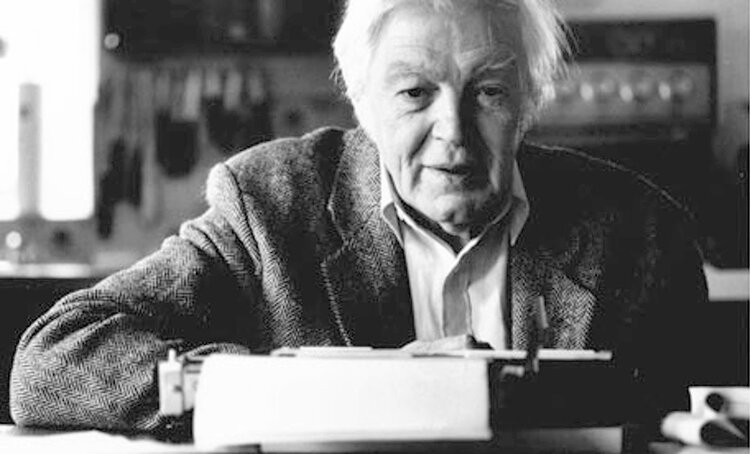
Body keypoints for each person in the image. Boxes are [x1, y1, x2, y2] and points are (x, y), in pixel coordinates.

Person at [11, 0, 705, 440]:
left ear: (529, 101)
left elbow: (685, 427)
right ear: (364, 103)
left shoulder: (641, 234)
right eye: (415, 93)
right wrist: (287, 390)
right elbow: (53, 359)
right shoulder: (271, 205)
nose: (453, 132)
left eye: (488, 92)